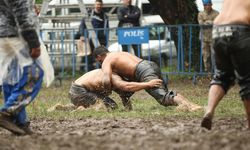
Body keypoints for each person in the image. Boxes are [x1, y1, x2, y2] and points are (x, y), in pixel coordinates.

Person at [93, 46, 203, 111]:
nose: (100, 62)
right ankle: (190, 105)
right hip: (149, 64)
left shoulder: (106, 61)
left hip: (142, 71)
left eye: (99, 61)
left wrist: (106, 91)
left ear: (99, 57)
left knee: (163, 98)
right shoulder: (118, 53)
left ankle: (191, 106)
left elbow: (106, 79)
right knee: (163, 93)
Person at [201, 0, 250, 130]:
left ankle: (209, 110)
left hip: (218, 29)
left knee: (221, 76)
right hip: (240, 27)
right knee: (247, 81)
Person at [0, 0, 44, 135]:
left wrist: (30, 9)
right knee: (34, 73)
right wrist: (33, 41)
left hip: (4, 33)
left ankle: (20, 122)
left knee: (12, 78)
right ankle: (7, 113)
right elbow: (21, 11)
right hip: (15, 34)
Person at [69, 69, 163, 110]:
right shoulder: (115, 78)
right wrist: (148, 84)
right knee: (111, 107)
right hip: (79, 91)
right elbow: (127, 87)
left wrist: (129, 109)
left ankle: (80, 106)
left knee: (111, 105)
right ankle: (81, 108)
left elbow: (123, 95)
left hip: (77, 91)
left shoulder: (112, 74)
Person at [77, 0, 109, 71]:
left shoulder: (105, 16)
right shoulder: (89, 14)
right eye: (97, 4)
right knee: (89, 56)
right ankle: (89, 71)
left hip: (100, 39)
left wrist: (106, 39)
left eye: (100, 5)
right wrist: (82, 35)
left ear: (102, 5)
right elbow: (82, 24)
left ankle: (101, 71)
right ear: (95, 5)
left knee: (101, 55)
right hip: (89, 38)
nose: (99, 6)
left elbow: (107, 28)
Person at [198, 0, 219, 73]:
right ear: (204, 6)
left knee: (214, 55)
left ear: (211, 4)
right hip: (204, 38)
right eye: (206, 5)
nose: (207, 6)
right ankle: (208, 72)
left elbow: (217, 22)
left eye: (209, 5)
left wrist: (207, 22)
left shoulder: (216, 13)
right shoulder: (201, 14)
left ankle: (216, 72)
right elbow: (201, 24)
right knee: (206, 56)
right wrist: (211, 22)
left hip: (213, 37)